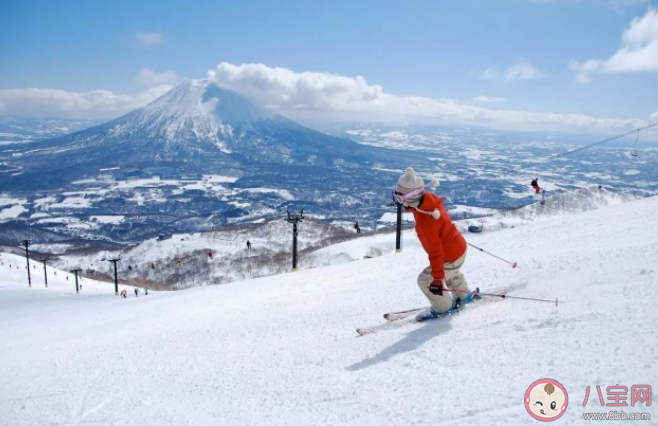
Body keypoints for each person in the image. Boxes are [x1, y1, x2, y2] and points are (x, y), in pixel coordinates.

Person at [393, 168, 472, 320]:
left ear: (410, 197)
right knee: (452, 272)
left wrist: (436, 280)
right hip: (458, 248)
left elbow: (436, 253)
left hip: (449, 255)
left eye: (400, 196)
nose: (398, 199)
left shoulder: (426, 220)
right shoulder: (428, 200)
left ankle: (444, 309)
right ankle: (463, 297)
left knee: (425, 280)